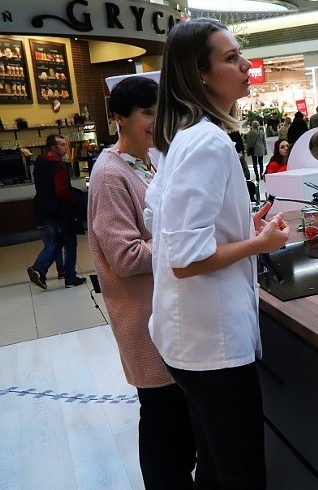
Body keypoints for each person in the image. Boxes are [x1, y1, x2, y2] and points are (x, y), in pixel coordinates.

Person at [145, 18, 290, 488]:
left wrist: (239, 225)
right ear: (200, 74)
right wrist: (261, 243)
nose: (245, 64)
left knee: (213, 464)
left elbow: (174, 228)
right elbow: (185, 259)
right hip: (212, 346)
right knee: (239, 473)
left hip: (188, 340)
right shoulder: (207, 140)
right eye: (230, 58)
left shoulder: (187, 137)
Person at [88, 76, 195, 488]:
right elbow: (125, 255)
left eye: (159, 110)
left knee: (176, 417)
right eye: (147, 112)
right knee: (161, 417)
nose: (157, 120)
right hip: (142, 317)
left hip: (166, 311)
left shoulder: (148, 161)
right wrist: (184, 245)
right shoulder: (110, 175)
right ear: (119, 119)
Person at [27, 134, 87, 289]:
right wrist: (74, 200)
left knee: (57, 240)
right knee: (70, 242)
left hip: (46, 209)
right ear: (53, 148)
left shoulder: (39, 162)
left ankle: (39, 268)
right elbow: (61, 190)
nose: (65, 147)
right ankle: (70, 278)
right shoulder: (58, 166)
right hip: (62, 210)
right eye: (62, 145)